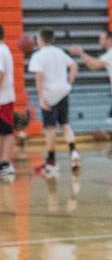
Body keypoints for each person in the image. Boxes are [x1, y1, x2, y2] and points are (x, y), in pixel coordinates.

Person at [27, 28, 80, 175]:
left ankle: (51, 163)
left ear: (40, 39)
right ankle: (73, 152)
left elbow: (39, 77)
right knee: (65, 124)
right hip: (63, 91)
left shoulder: (38, 55)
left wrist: (40, 98)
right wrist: (70, 79)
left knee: (49, 128)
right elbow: (74, 65)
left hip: (49, 95)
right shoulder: (59, 51)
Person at [0, 25, 15, 179]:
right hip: (5, 97)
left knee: (7, 131)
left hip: (2, 99)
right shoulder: (4, 49)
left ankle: (5, 163)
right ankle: (4, 163)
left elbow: (0, 74)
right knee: (5, 131)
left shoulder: (0, 50)